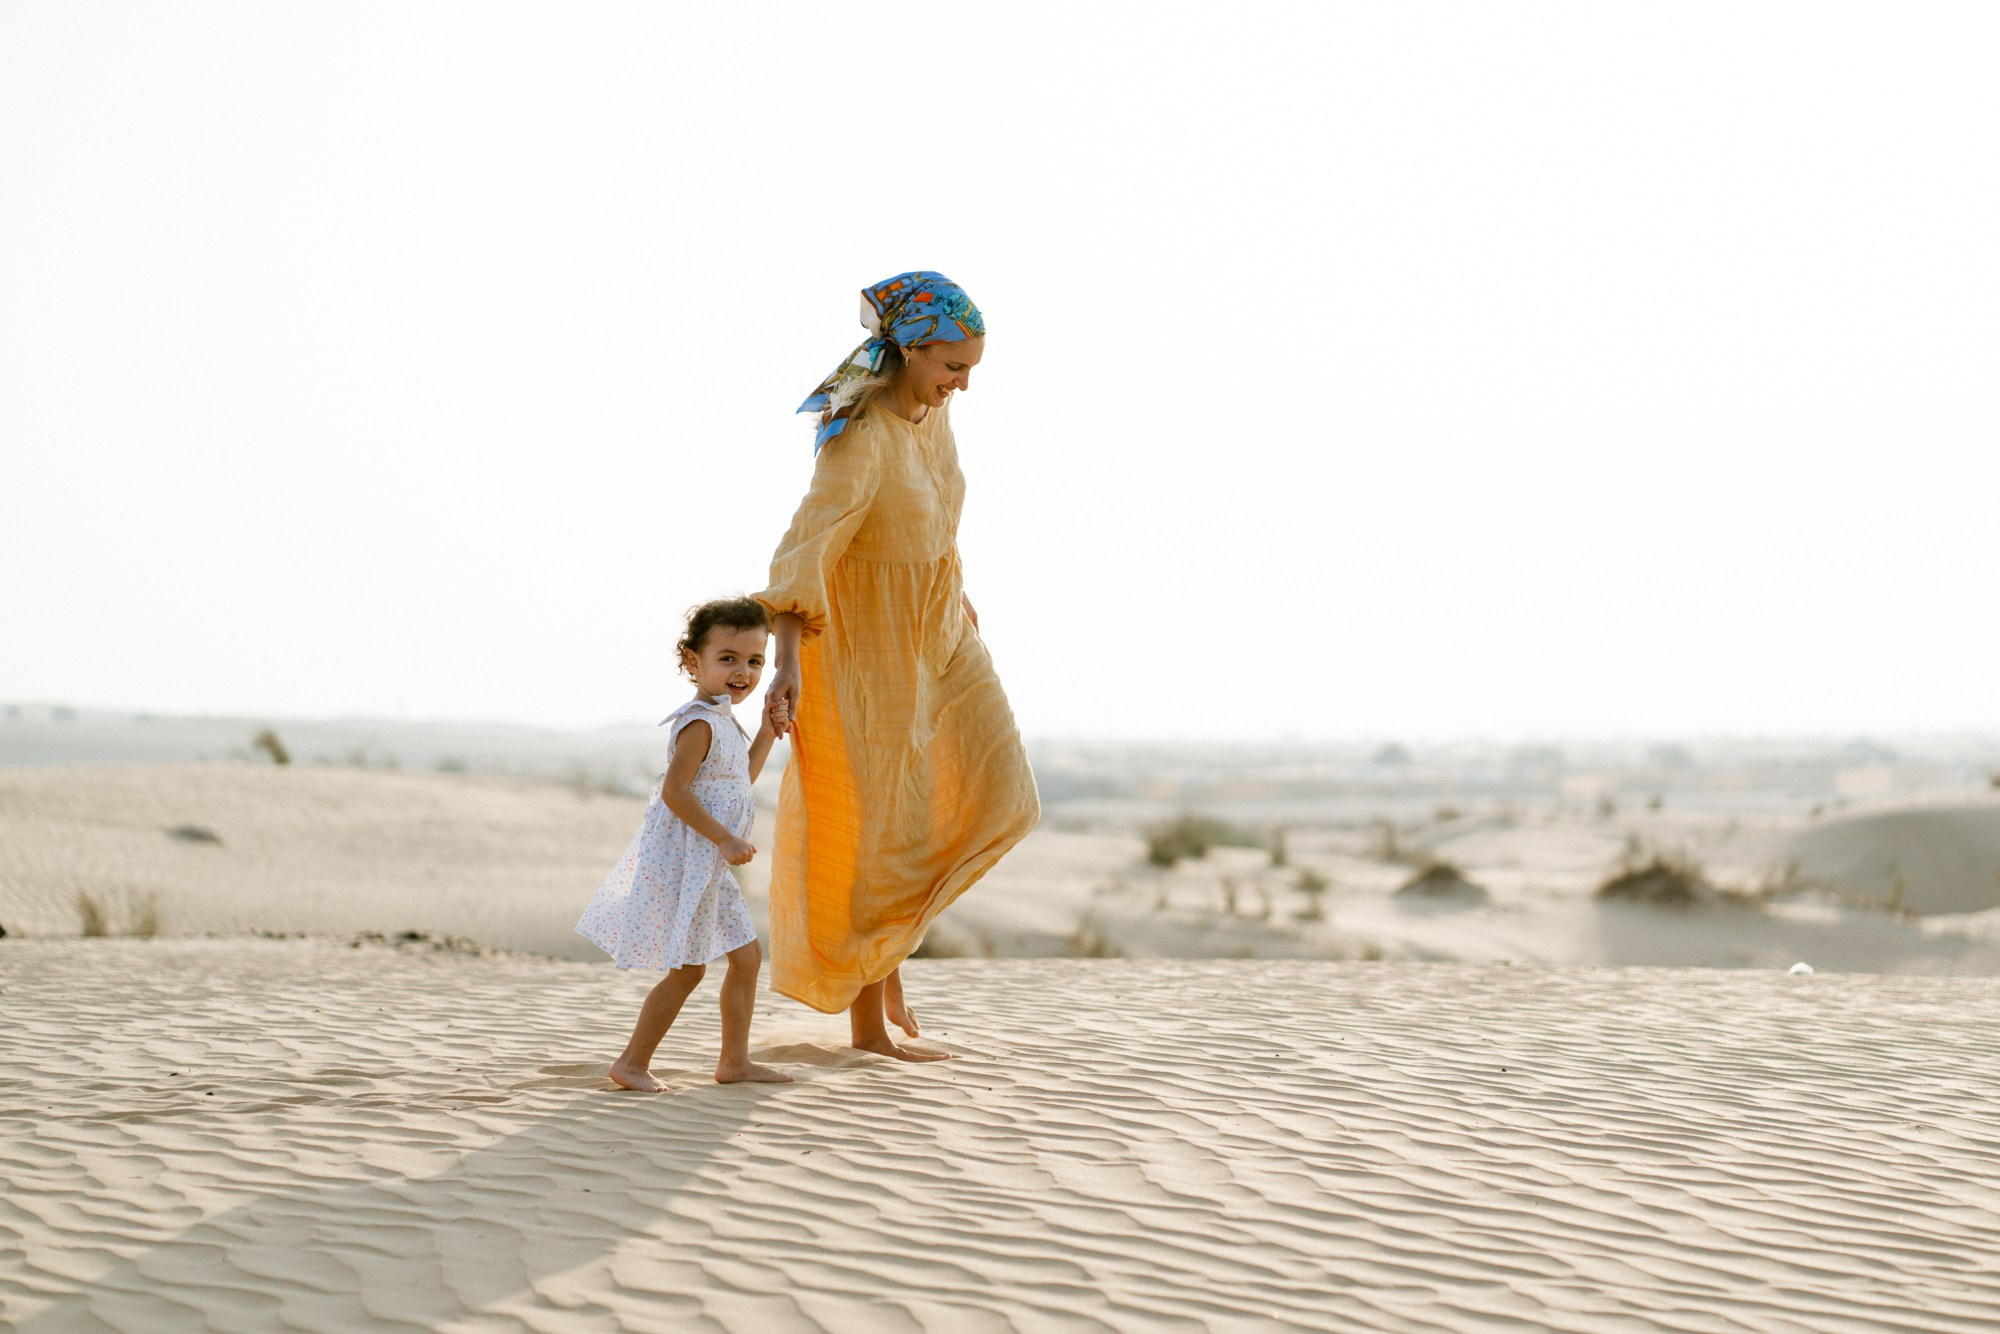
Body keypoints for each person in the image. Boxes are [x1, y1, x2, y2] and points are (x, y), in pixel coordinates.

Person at [757, 271, 1040, 1060]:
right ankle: (869, 1026)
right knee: (881, 828)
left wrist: (959, 591)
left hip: (943, 633)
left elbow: (934, 519)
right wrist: (785, 665)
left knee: (1005, 797)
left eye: (973, 368)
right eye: (953, 366)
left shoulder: (931, 420)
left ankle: (885, 955)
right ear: (912, 350)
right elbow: (802, 554)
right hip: (865, 652)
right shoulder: (860, 434)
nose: (963, 384)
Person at [575, 597, 793, 1091]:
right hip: (693, 862)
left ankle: (734, 1062)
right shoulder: (698, 722)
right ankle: (631, 1062)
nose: (743, 671)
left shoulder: (725, 721)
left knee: (747, 957)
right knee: (688, 971)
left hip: (712, 867)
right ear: (694, 661)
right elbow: (674, 792)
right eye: (728, 658)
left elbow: (741, 777)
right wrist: (724, 837)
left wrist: (766, 729)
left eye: (755, 661)